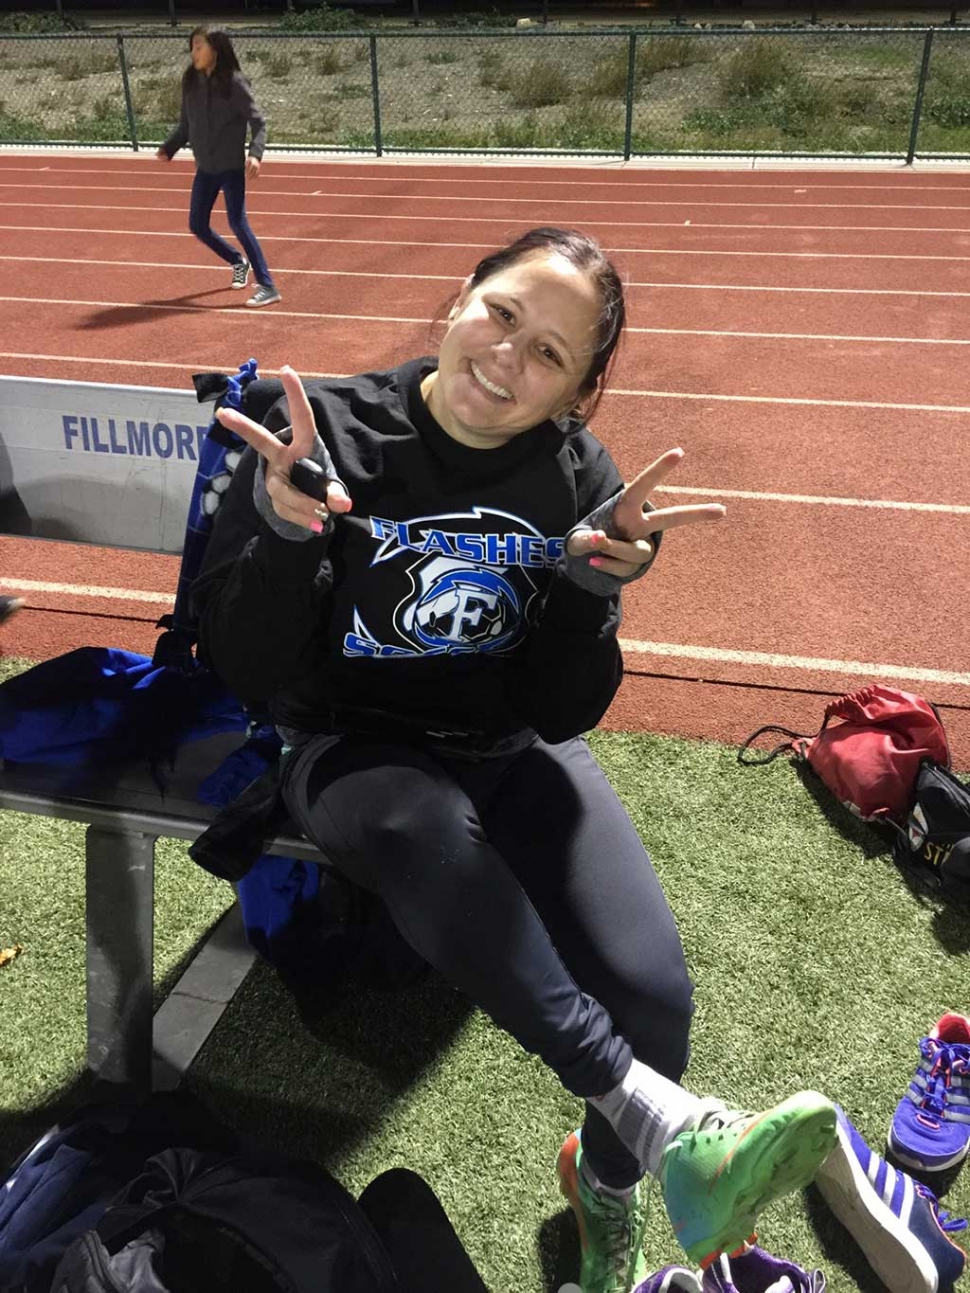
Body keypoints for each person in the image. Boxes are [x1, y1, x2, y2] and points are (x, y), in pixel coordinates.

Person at [191, 227, 837, 1293]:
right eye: (502, 316)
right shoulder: (324, 430)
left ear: (581, 386)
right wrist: (283, 529)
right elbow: (248, 668)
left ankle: (613, 1175)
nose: (508, 359)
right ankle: (666, 1122)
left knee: (654, 997)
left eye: (550, 354)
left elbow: (562, 709)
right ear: (461, 297)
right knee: (411, 824)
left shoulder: (578, 473)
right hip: (352, 746)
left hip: (500, 744)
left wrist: (588, 595)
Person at [156, 26, 280, 309]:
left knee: (237, 222)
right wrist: (170, 147)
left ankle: (268, 285)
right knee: (197, 225)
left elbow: (259, 123)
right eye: (192, 47)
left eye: (199, 46)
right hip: (206, 168)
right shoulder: (190, 81)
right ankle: (237, 261)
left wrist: (255, 154)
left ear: (215, 49)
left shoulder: (234, 83)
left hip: (230, 167)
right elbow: (186, 125)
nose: (193, 52)